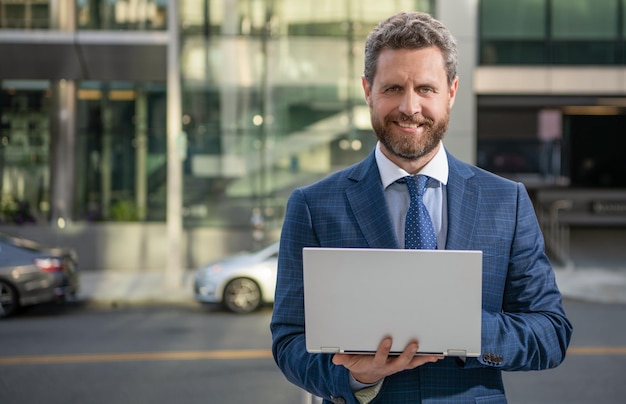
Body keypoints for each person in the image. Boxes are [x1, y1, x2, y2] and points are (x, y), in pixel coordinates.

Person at [270, 11, 573, 404]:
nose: (410, 107)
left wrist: (461, 327)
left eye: (426, 89)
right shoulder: (313, 206)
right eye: (393, 88)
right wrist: (355, 377)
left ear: (451, 91)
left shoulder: (506, 202)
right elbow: (289, 341)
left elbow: (550, 334)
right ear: (367, 90)